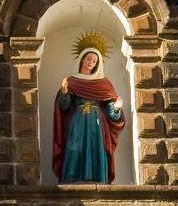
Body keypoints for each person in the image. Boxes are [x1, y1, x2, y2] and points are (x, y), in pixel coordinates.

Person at [52, 39, 125, 184]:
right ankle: (71, 180)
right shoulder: (72, 81)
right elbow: (64, 107)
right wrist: (65, 92)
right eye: (89, 58)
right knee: (74, 148)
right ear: (82, 59)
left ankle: (98, 180)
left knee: (96, 149)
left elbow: (112, 112)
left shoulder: (104, 83)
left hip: (97, 123)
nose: (91, 62)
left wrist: (116, 108)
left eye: (95, 60)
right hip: (77, 121)